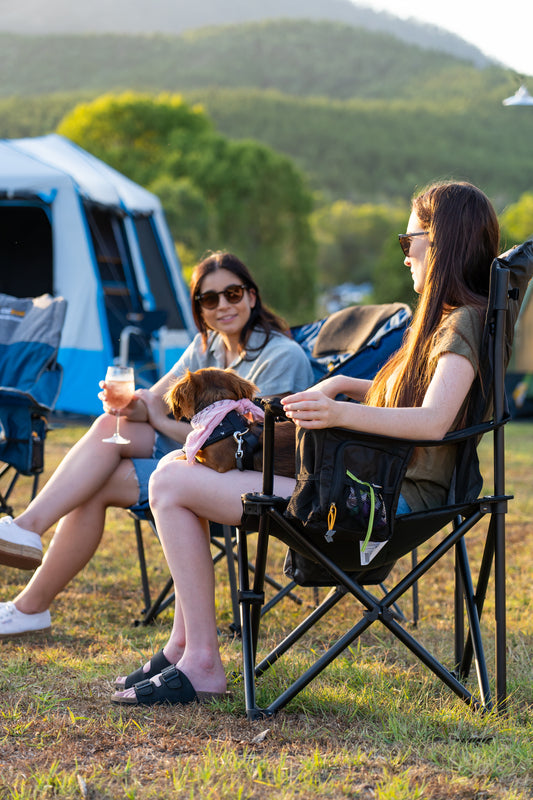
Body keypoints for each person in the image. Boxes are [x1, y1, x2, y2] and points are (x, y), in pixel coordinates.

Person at [110, 180, 500, 706]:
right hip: (376, 482)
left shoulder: (462, 321)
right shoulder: (453, 319)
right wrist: (339, 384)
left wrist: (337, 411)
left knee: (171, 481)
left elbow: (433, 421)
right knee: (175, 471)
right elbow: (417, 395)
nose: (405, 256)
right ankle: (185, 646)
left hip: (381, 499)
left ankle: (199, 659)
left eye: (409, 243)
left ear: (441, 241)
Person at [0, 251, 313, 641]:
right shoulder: (209, 346)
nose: (222, 306)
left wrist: (156, 418)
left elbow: (236, 443)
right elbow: (156, 396)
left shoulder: (282, 356)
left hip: (239, 477)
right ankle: (28, 536)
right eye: (209, 299)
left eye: (232, 294)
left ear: (251, 295)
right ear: (199, 308)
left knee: (95, 483)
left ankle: (30, 600)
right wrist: (134, 405)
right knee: (108, 423)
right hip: (193, 457)